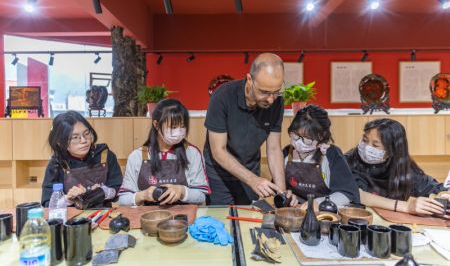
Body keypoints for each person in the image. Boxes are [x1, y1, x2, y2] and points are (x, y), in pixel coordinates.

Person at [204, 53, 292, 205]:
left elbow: (273, 148)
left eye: (276, 91)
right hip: (219, 175)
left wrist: (282, 192)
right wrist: (253, 180)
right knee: (222, 222)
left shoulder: (276, 103)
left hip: (250, 170)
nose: (271, 99)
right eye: (264, 92)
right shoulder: (222, 96)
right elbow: (218, 151)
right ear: (250, 80)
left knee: (249, 221)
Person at [345, 118, 450, 216]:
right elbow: (357, 194)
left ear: (392, 150)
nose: (367, 147)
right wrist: (406, 206)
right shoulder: (347, 161)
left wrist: (443, 196)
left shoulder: (402, 169)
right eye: (365, 140)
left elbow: (435, 188)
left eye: (375, 145)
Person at [119, 99, 210, 206]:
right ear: (156, 124)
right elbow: (123, 199)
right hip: (148, 218)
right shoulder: (137, 156)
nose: (179, 132)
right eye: (173, 127)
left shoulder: (192, 153)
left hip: (183, 218)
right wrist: (143, 195)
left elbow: (201, 196)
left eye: (182, 126)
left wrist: (182, 191)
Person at [41, 111, 123, 207]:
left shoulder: (105, 155)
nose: (84, 140)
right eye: (75, 137)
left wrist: (104, 191)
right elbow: (47, 203)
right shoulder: (57, 163)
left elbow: (119, 189)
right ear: (60, 142)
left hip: (102, 214)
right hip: (71, 219)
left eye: (86, 133)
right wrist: (68, 199)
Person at [284, 105, 360, 208]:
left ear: (322, 137)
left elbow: (348, 193)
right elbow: (278, 187)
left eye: (307, 139)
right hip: (295, 210)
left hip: (324, 212)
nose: (299, 142)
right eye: (295, 136)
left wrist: (320, 203)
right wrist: (287, 195)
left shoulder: (332, 154)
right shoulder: (286, 152)